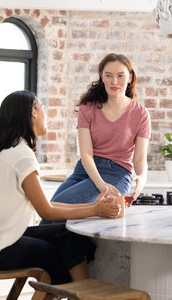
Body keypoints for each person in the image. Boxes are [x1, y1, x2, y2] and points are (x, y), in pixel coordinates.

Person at [0, 90, 122, 287]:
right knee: (60, 251)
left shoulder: (11, 151)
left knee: (67, 235)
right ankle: (84, 293)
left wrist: (93, 208)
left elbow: (46, 205)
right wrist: (95, 210)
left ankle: (83, 294)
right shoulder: (22, 155)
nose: (47, 115)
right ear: (33, 112)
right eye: (43, 108)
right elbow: (46, 212)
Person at [42, 53, 150, 222]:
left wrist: (142, 176)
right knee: (51, 211)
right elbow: (86, 154)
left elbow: (140, 158)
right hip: (85, 170)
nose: (114, 82)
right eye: (109, 75)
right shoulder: (88, 108)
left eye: (120, 76)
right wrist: (100, 185)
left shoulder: (141, 114)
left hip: (116, 173)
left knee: (54, 213)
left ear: (129, 77)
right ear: (102, 77)